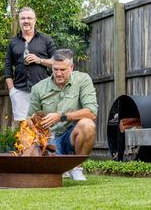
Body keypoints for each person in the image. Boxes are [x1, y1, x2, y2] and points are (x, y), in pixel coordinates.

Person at [28, 49, 98, 181]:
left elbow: (92, 112)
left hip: (71, 135)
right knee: (49, 167)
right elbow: (29, 119)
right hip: (49, 139)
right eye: (55, 69)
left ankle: (76, 168)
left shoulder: (83, 80)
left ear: (71, 67)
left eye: (63, 70)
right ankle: (61, 168)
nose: (58, 74)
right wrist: (37, 132)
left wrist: (61, 116)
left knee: (88, 125)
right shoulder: (38, 88)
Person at [4, 7, 57, 122]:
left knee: (44, 125)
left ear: (35, 20)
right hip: (20, 91)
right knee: (24, 127)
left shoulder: (46, 39)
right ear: (19, 21)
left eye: (29, 18)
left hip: (44, 91)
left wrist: (39, 60)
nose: (26, 21)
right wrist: (12, 90)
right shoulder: (13, 42)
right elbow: (7, 67)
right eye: (23, 18)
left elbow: (58, 62)